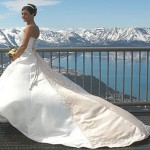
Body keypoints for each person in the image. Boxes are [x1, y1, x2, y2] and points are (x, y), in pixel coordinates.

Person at [0, 3, 150, 149]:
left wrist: (14, 56)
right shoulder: (35, 28)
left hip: (27, 59)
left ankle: (27, 117)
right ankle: (26, 115)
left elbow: (23, 46)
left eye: (25, 13)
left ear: (32, 14)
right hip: (30, 58)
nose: (23, 16)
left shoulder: (30, 28)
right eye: (21, 14)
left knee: (22, 88)